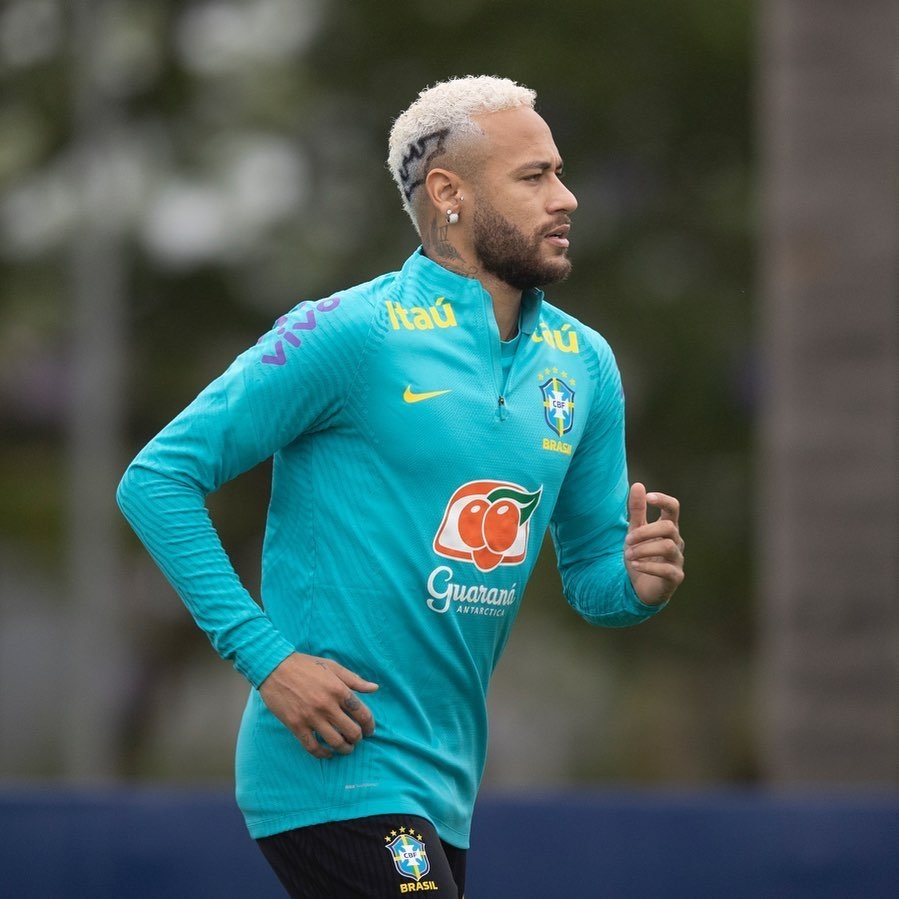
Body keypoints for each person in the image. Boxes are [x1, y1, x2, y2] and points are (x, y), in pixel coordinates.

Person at [117, 74, 684, 899]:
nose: (564, 198)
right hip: (333, 770)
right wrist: (269, 660)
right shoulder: (350, 331)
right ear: (448, 194)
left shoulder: (584, 362)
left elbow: (593, 575)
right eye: (533, 176)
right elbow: (156, 478)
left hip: (444, 786)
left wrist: (635, 583)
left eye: (559, 173)